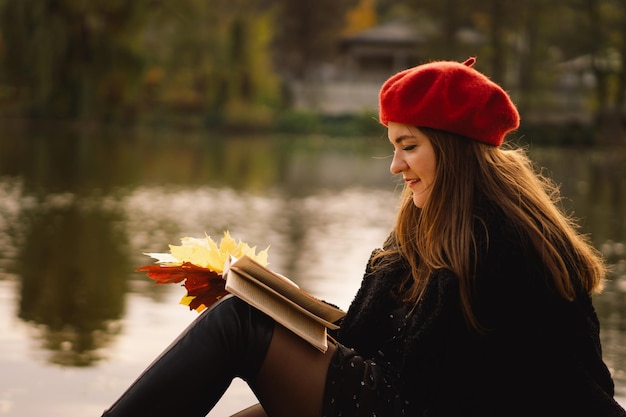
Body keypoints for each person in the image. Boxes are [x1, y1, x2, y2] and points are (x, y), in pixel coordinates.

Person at [101, 58, 626, 417]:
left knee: (239, 325)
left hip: (414, 406)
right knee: (248, 327)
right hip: (398, 394)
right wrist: (284, 303)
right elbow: (376, 333)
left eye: (409, 145)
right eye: (393, 145)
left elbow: (535, 379)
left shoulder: (508, 244)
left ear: (455, 149)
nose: (396, 165)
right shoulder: (426, 224)